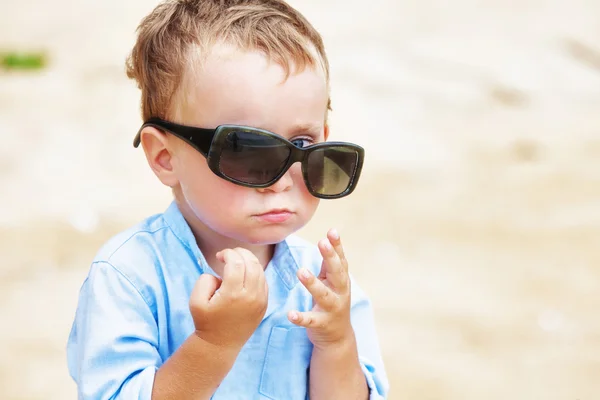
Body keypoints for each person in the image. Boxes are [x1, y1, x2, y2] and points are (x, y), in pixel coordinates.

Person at [66, 0, 389, 398]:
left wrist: (336, 342)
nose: (283, 180)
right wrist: (214, 345)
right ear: (165, 157)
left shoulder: (322, 284)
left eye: (303, 143)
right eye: (247, 148)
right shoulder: (129, 279)